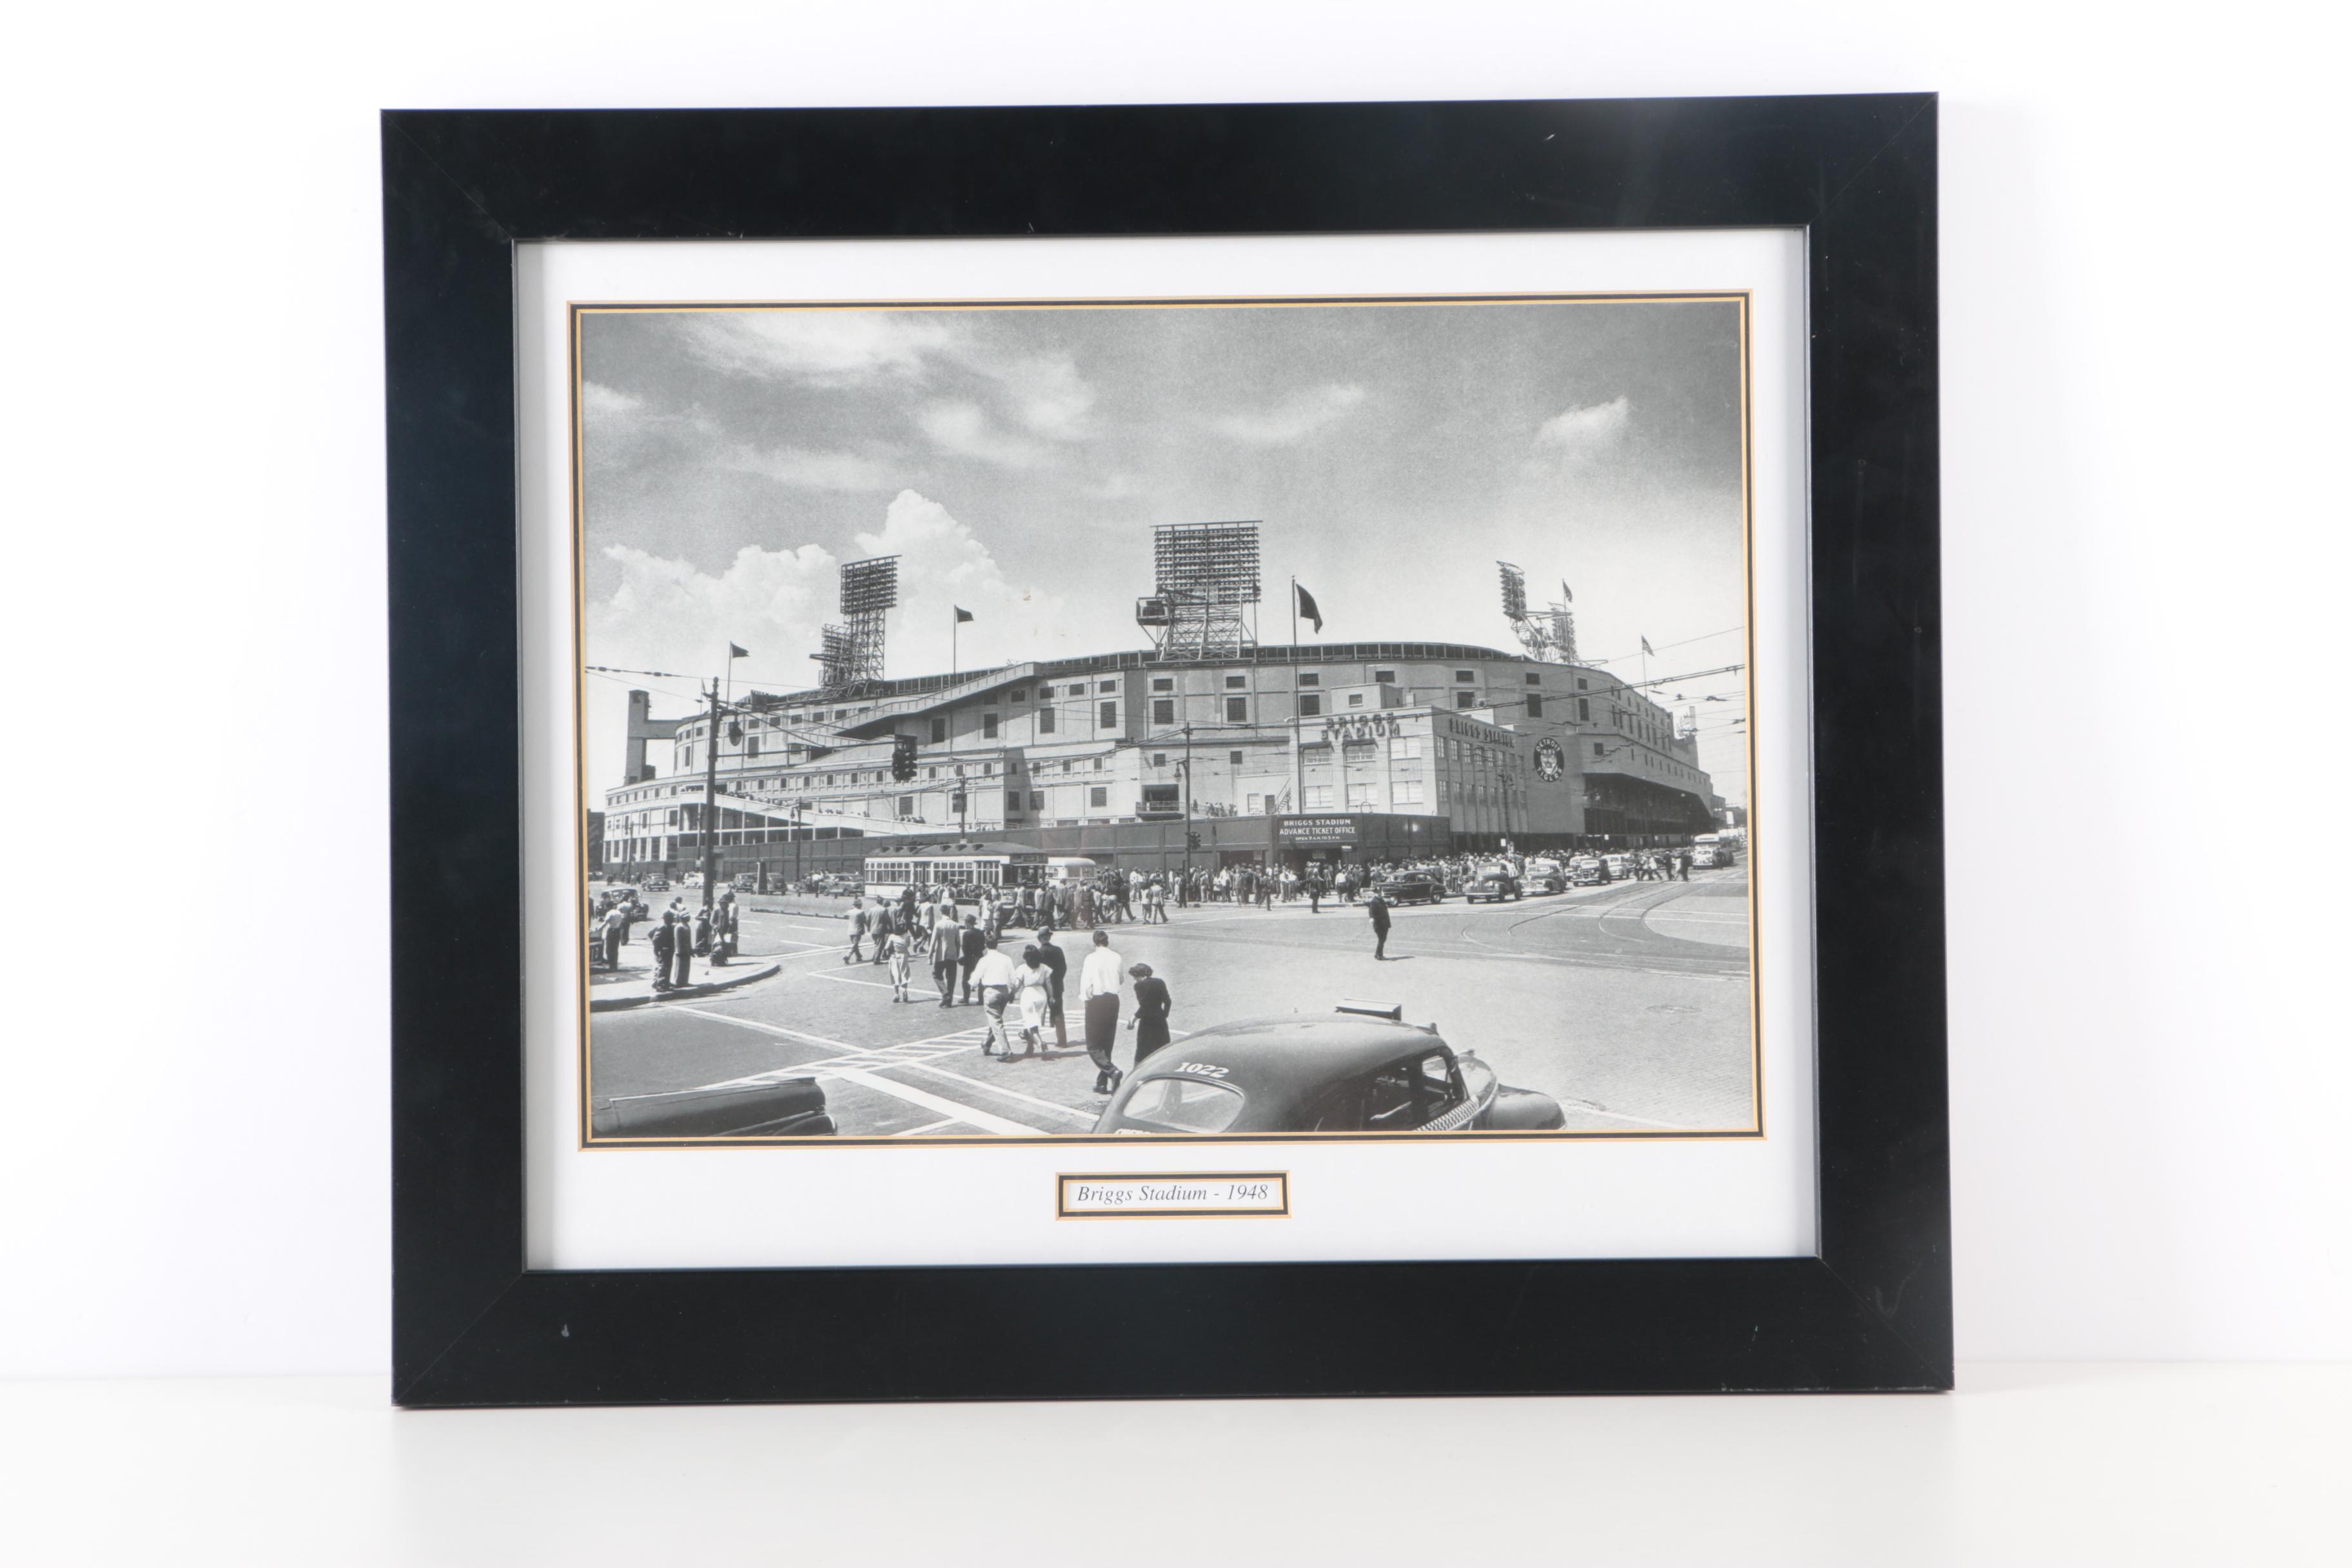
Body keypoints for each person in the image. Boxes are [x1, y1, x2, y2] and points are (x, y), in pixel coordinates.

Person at [1079, 928, 1126, 1094]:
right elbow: (1121, 979)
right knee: (1107, 1042)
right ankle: (1102, 1083)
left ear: (1094, 943)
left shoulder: (1091, 958)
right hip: (1113, 1000)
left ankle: (1112, 1071)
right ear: (1107, 942)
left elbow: (1086, 983)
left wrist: (1085, 1000)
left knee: (1093, 1045)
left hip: (1096, 1001)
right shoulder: (1117, 957)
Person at [971, 934, 1018, 1058]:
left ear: (986, 945)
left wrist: (973, 985)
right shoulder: (1006, 958)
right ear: (997, 944)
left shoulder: (984, 960)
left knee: (996, 1022)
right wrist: (1012, 991)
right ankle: (987, 1043)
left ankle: (1005, 1050)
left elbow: (976, 976)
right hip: (1004, 991)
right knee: (996, 1020)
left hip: (990, 991)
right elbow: (1013, 978)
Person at [1126, 962, 1171, 1063]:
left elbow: (1145, 1006)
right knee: (1162, 1048)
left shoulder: (1139, 986)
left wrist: (1134, 1018)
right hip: (1161, 1020)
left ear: (1139, 975)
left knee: (1142, 1051)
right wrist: (1164, 1015)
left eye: (1135, 976)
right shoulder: (1160, 982)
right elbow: (1168, 1001)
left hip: (1147, 1022)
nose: (1134, 979)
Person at [1012, 944, 1052, 1055]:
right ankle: (1030, 1049)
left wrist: (1011, 994)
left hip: (1028, 995)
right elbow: (1049, 984)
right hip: (1041, 995)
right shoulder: (1044, 967)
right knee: (1033, 1024)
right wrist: (1052, 997)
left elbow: (1017, 985)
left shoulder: (1022, 968)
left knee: (1031, 1025)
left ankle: (1040, 1043)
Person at [1035, 926, 1069, 1049]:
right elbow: (1063, 968)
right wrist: (1058, 979)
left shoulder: (1039, 953)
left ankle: (1030, 1036)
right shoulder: (1058, 950)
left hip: (1043, 986)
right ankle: (1062, 1039)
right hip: (1057, 985)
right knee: (1058, 1012)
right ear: (1049, 937)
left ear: (1040, 939)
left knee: (1034, 1011)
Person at [930, 900, 963, 1007]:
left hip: (940, 955)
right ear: (949, 912)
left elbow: (933, 941)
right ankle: (949, 1001)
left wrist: (930, 955)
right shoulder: (955, 925)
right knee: (951, 978)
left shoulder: (938, 924)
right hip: (952, 954)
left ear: (941, 912)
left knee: (937, 975)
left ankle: (945, 994)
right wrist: (957, 953)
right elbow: (958, 942)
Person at [957, 914, 986, 1004]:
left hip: (969, 958)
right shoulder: (980, 932)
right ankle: (981, 999)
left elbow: (965, 948)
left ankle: (966, 998)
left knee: (966, 978)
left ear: (968, 923)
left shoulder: (967, 934)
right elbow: (983, 945)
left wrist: (964, 957)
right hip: (979, 957)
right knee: (981, 979)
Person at [649, 912, 676, 992]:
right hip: (664, 950)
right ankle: (660, 985)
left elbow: (651, 934)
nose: (673, 919)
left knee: (667, 967)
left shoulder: (669, 926)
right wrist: (658, 949)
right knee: (662, 968)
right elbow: (655, 939)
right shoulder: (663, 927)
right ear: (667, 919)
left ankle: (665, 982)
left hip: (669, 950)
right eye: (671, 918)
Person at [885, 925, 913, 1003]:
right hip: (904, 956)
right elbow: (908, 945)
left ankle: (897, 995)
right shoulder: (907, 936)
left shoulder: (892, 936)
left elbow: (887, 948)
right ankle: (904, 990)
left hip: (894, 957)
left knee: (895, 975)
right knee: (904, 974)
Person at [1366, 890, 1392, 961]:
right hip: (1379, 924)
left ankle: (1377, 954)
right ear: (1375, 894)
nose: (1380, 894)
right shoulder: (1374, 901)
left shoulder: (1381, 900)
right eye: (1378, 893)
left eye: (1380, 892)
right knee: (1382, 939)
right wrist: (1371, 918)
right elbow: (1371, 910)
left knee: (1383, 939)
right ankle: (1379, 955)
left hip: (1384, 923)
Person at [843, 901, 866, 965]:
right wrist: (869, 927)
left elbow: (845, 916)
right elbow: (865, 920)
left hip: (850, 929)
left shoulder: (849, 911)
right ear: (858, 905)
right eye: (860, 905)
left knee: (854, 944)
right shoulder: (861, 912)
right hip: (858, 930)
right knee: (855, 944)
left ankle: (859, 956)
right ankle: (847, 956)